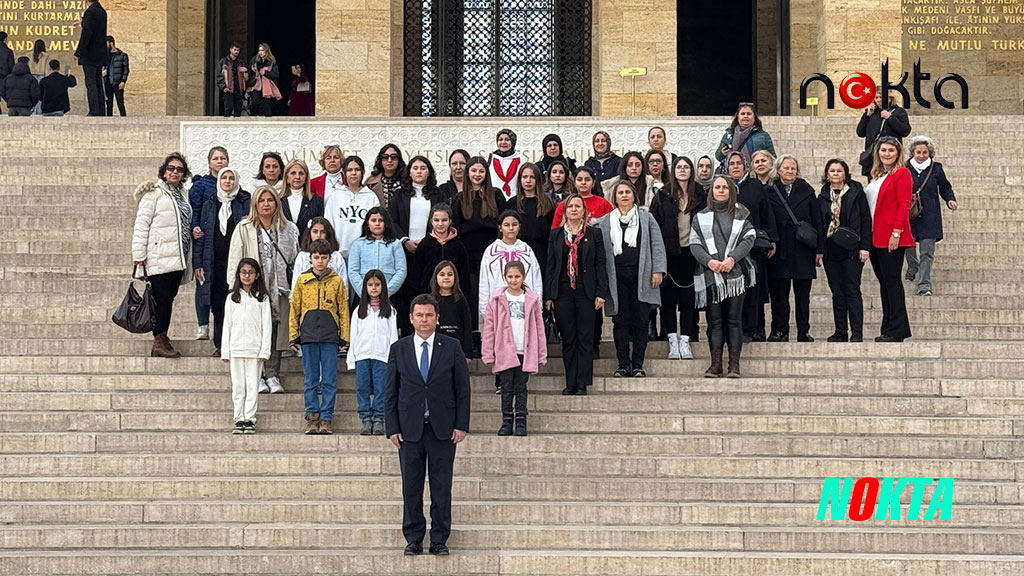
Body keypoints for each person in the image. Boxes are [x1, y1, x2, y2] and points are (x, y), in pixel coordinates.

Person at [385, 294, 471, 557]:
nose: (424, 320)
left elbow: (462, 389)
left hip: (442, 429)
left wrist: (461, 425)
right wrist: (392, 427)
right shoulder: (399, 348)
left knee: (441, 487)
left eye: (429, 315)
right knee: (411, 488)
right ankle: (413, 538)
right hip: (408, 429)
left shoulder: (452, 346)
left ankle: (439, 539)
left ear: (437, 318)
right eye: (419, 315)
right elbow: (391, 391)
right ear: (411, 318)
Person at [228, 186, 299, 393]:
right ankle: (257, 375)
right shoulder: (244, 227)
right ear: (255, 204)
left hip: (280, 288)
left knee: (275, 331)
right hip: (253, 287)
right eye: (261, 200)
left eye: (270, 200)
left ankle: (272, 374)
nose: (266, 204)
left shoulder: (289, 228)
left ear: (277, 203)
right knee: (255, 331)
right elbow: (234, 259)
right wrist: (234, 289)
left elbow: (295, 259)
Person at [690, 175, 757, 378]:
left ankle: (734, 366)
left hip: (735, 274)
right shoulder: (700, 216)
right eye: (717, 187)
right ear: (711, 191)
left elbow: (749, 238)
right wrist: (709, 261)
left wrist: (732, 259)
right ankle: (716, 365)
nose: (720, 190)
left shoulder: (742, 212)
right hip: (711, 274)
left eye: (724, 187)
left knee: (734, 320)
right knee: (715, 321)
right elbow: (694, 243)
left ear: (731, 191)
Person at [598, 181, 667, 378]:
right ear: (615, 197)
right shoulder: (605, 221)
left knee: (641, 321)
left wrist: (658, 270)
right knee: (620, 321)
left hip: (642, 277)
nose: (624, 195)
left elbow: (657, 244)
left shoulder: (646, 218)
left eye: (627, 192)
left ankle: (637, 365)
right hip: (616, 278)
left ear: (634, 195)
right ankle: (623, 364)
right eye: (620, 192)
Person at [545, 193, 609, 395]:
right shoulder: (555, 234)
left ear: (584, 211)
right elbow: (551, 266)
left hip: (586, 291)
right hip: (562, 292)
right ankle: (570, 381)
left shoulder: (594, 234)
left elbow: (600, 264)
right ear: (565, 211)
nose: (573, 209)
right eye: (570, 206)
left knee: (585, 338)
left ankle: (582, 383)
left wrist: (601, 292)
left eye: (577, 206)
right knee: (569, 338)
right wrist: (549, 295)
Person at [131, 153, 193, 358]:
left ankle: (162, 337)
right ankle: (159, 339)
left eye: (179, 169)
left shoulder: (183, 195)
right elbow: (142, 224)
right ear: (164, 172)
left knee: (168, 299)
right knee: (161, 299)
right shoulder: (153, 193)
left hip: (178, 257)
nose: (175, 172)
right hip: (159, 255)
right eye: (171, 168)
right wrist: (138, 254)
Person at [290, 239, 349, 435]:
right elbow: (295, 308)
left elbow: (343, 310)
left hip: (330, 335)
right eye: (316, 257)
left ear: (330, 259)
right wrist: (293, 335)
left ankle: (326, 417)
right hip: (308, 334)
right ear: (310, 259)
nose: (320, 261)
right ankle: (312, 415)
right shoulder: (302, 280)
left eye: (324, 257)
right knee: (311, 379)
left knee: (330, 379)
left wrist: (345, 336)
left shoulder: (337, 281)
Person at [764, 154, 825, 342]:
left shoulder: (807, 190)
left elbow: (818, 221)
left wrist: (819, 250)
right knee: (779, 294)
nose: (790, 171)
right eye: (786, 168)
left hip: (802, 248)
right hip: (780, 247)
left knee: (803, 295)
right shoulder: (770, 190)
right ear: (778, 170)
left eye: (793, 168)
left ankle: (803, 331)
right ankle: (780, 330)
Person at [482, 261, 547, 436]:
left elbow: (539, 328)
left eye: (517, 276)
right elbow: (489, 328)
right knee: (506, 386)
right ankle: (506, 420)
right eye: (510, 276)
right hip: (504, 351)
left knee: (521, 386)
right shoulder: (496, 300)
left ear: (524, 277)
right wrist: (488, 353)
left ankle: (521, 420)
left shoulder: (531, 300)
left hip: (524, 350)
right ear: (504, 277)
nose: (513, 280)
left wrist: (541, 354)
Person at [650, 156, 705, 359]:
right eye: (679, 167)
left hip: (692, 253)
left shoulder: (700, 193)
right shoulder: (662, 194)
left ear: (691, 171)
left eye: (686, 167)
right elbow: (654, 226)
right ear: (673, 171)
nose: (682, 170)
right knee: (669, 299)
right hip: (669, 253)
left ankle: (685, 340)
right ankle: (672, 339)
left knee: (688, 299)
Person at [194, 166, 251, 354]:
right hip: (215, 263)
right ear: (219, 181)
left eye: (231, 178)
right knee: (218, 304)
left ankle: (237, 343)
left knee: (239, 303)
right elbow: (202, 236)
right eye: (224, 177)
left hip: (239, 262)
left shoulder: (245, 201)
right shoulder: (210, 203)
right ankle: (221, 344)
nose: (227, 181)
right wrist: (198, 263)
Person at [724, 151, 778, 342]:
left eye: (739, 163)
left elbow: (767, 212)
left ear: (745, 166)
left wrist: (772, 239)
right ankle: (734, 328)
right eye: (732, 164)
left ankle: (756, 328)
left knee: (755, 287)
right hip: (728, 248)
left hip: (753, 246)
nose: (735, 167)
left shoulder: (755, 185)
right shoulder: (723, 186)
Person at [391, 155, 447, 335]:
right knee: (407, 291)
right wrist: (405, 240)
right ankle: (407, 331)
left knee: (428, 289)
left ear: (429, 172)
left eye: (423, 168)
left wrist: (428, 240)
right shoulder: (399, 195)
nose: (419, 171)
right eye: (415, 168)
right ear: (409, 172)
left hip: (430, 249)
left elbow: (442, 219)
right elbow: (392, 221)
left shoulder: (438, 194)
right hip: (405, 249)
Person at [817, 159, 872, 342]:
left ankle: (857, 332)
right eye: (832, 171)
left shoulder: (856, 192)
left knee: (852, 290)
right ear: (827, 175)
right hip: (831, 251)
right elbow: (820, 225)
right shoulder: (822, 196)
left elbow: (865, 220)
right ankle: (840, 331)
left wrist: (865, 247)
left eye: (839, 171)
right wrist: (820, 250)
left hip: (852, 250)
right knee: (837, 293)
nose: (835, 174)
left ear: (845, 173)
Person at [866, 136, 914, 342]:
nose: (886, 154)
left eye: (891, 150)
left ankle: (898, 330)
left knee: (892, 283)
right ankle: (888, 327)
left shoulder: (902, 173)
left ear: (898, 153)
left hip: (891, 237)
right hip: (875, 237)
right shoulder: (877, 175)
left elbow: (904, 204)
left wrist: (896, 232)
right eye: (883, 150)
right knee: (885, 283)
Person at [452, 156, 506, 328]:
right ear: (468, 173)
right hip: (469, 253)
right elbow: (456, 229)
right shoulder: (459, 199)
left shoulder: (496, 195)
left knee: (495, 292)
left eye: (481, 171)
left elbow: (503, 224)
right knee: (473, 294)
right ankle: (474, 333)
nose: (477, 174)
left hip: (493, 251)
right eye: (474, 171)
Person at [221, 258, 272, 434]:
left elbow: (267, 326)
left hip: (254, 349)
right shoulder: (231, 298)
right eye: (243, 272)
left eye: (250, 272)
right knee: (238, 386)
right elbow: (227, 326)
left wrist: (265, 350)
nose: (247, 276)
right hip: (235, 348)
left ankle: (249, 418)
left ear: (257, 275)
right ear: (238, 274)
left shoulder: (262, 298)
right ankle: (239, 418)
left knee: (252, 386)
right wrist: (225, 351)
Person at [904, 135, 958, 296]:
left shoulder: (936, 169)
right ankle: (913, 265)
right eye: (918, 152)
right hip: (909, 214)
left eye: (924, 152)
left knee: (927, 253)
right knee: (907, 246)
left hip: (930, 215)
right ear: (913, 152)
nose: (921, 156)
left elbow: (945, 187)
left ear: (930, 153)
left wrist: (950, 199)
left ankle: (924, 285)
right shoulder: (904, 168)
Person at [348, 269, 397, 435]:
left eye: (377, 284)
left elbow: (393, 336)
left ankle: (379, 418)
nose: (374, 288)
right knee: (362, 387)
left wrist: (393, 359)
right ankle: (365, 418)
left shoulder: (390, 311)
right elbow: (353, 335)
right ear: (365, 287)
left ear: (383, 286)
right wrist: (352, 358)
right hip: (362, 355)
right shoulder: (359, 311)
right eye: (370, 285)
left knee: (381, 388)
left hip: (382, 356)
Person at [189, 146, 229, 340]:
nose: (219, 161)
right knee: (203, 282)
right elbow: (194, 210)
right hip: (205, 239)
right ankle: (203, 325)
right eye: (216, 158)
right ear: (209, 162)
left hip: (223, 242)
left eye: (223, 158)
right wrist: (194, 226)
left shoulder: (230, 183)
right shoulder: (201, 186)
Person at [478, 210, 544, 319]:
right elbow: (484, 283)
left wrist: (538, 306)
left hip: (524, 305)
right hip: (498, 306)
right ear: (500, 228)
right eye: (506, 225)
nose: (511, 228)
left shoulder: (526, 250)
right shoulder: (491, 251)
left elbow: (536, 279)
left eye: (514, 224)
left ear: (519, 227)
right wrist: (485, 312)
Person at [325, 155, 382, 259]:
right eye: (349, 170)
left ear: (363, 172)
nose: (353, 173)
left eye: (357, 170)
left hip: (364, 255)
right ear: (344, 173)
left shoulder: (371, 197)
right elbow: (328, 224)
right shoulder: (336, 195)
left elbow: (376, 227)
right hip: (338, 255)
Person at [410, 205, 470, 299]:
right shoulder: (424, 245)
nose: (440, 224)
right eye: (436, 220)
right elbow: (416, 274)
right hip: (428, 295)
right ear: (431, 221)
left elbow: (464, 276)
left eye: (444, 220)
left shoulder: (458, 246)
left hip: (453, 297)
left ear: (450, 221)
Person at [347, 208, 406, 301]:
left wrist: (386, 292)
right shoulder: (358, 244)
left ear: (386, 223)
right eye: (373, 220)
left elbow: (401, 270)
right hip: (363, 297)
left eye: (381, 220)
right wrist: (364, 292)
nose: (377, 224)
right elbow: (353, 271)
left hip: (390, 297)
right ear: (367, 223)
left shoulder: (395, 244)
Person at [856, 89, 912, 178]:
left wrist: (890, 117)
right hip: (873, 158)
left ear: (889, 99)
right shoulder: (871, 113)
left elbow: (905, 131)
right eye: (876, 98)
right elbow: (860, 133)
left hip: (890, 157)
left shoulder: (898, 112)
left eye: (881, 97)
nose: (878, 100)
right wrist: (867, 116)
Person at [513, 163, 555, 273]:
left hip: (541, 252)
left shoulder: (547, 204)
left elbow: (552, 232)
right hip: (518, 252)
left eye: (532, 177)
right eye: (525, 177)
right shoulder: (512, 203)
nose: (528, 181)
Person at [291, 217, 347, 294]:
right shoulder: (302, 256)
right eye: (315, 232)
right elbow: (295, 283)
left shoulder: (336, 256)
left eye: (323, 232)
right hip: (307, 298)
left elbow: (344, 283)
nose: (318, 235)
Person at [431, 261, 474, 357]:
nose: (446, 277)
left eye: (450, 274)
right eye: (442, 274)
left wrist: (468, 354)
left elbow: (467, 326)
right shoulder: (431, 301)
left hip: (457, 349)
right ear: (436, 277)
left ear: (455, 277)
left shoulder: (460, 300)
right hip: (436, 349)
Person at [74, 0, 108, 116]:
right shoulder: (102, 11)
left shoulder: (90, 12)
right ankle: (101, 110)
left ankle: (94, 110)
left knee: (91, 83)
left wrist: (79, 53)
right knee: (98, 82)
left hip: (90, 53)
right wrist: (83, 24)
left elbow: (87, 34)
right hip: (100, 53)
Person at [280, 159, 323, 234]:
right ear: (287, 178)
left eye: (301, 173)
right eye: (293, 173)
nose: (297, 177)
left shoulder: (316, 201)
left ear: (306, 177)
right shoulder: (278, 201)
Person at [489, 128, 527, 201]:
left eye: (507, 139)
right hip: (494, 200)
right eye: (500, 140)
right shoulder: (489, 159)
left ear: (513, 141)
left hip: (515, 200)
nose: (503, 142)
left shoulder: (521, 161)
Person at [366, 143, 406, 209]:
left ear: (399, 159)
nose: (389, 160)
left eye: (393, 157)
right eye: (385, 157)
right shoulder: (370, 182)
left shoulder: (407, 181)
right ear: (380, 160)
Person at [248, 43, 279, 117]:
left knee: (266, 106)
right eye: (259, 50)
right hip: (256, 85)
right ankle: (254, 120)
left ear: (266, 51)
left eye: (262, 50)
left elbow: (276, 74)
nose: (260, 52)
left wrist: (265, 73)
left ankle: (267, 122)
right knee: (254, 103)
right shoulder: (254, 59)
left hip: (267, 86)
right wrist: (252, 69)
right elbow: (248, 72)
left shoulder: (271, 61)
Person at [217, 43, 247, 117]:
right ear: (230, 50)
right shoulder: (224, 61)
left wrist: (245, 71)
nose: (236, 52)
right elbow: (219, 75)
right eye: (235, 49)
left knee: (238, 109)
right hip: (228, 88)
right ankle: (225, 123)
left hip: (238, 89)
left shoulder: (241, 62)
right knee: (229, 107)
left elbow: (246, 77)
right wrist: (223, 87)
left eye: (238, 50)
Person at [103, 35, 128, 116]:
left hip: (118, 82)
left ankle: (124, 118)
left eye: (106, 43)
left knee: (120, 104)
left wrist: (123, 81)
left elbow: (126, 69)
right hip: (108, 82)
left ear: (111, 43)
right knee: (109, 105)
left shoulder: (122, 55)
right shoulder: (105, 56)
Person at [28, 40, 46, 115]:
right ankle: (39, 111)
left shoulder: (29, 55)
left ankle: (32, 109)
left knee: (32, 94)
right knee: (40, 95)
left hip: (32, 75)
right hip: (42, 75)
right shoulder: (46, 56)